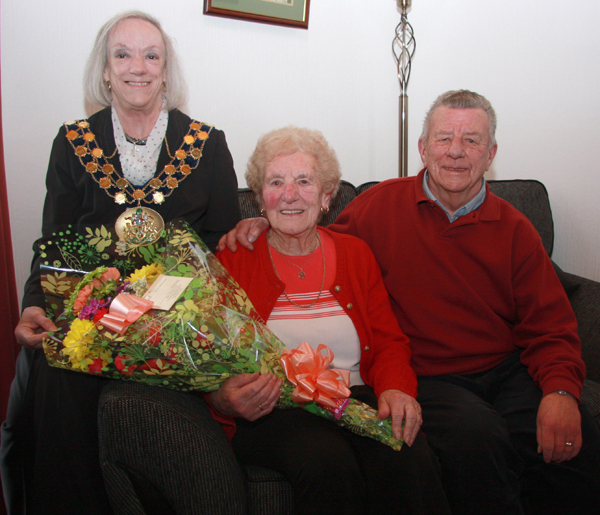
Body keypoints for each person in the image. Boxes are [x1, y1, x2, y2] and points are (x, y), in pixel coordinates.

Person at [218, 91, 600, 514]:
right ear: (422, 148)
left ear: (490, 153)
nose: (456, 151)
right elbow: (303, 233)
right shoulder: (378, 208)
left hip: (505, 370)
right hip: (433, 377)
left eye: (471, 140)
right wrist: (257, 224)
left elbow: (551, 323)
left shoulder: (515, 228)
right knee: (477, 437)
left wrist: (562, 389)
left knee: (578, 435)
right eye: (443, 139)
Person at [1, 11, 241, 514]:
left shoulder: (207, 144)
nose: (138, 67)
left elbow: (221, 243)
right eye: (123, 54)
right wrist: (32, 307)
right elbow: (56, 245)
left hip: (171, 322)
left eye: (152, 55)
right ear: (105, 70)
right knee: (55, 372)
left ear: (166, 70)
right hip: (91, 314)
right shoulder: (72, 143)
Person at [212, 126, 450, 515]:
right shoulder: (233, 261)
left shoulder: (355, 254)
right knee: (327, 463)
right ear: (260, 198)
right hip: (276, 409)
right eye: (276, 182)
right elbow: (209, 357)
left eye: (304, 181)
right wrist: (223, 398)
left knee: (404, 450)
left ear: (325, 197)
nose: (289, 194)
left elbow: (389, 341)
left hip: (354, 396)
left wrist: (396, 389)